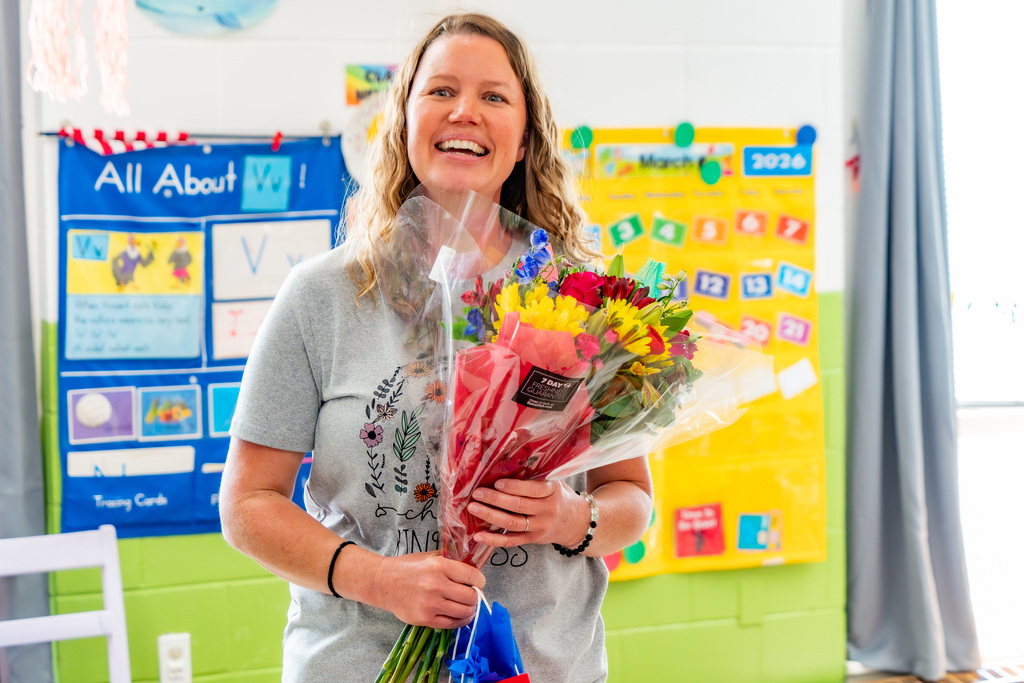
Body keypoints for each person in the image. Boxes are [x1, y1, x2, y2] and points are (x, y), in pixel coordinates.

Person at [219, 13, 653, 682]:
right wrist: (377, 579)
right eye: (441, 90)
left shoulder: (581, 305)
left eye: (494, 96)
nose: (465, 112)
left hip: (545, 665)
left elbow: (630, 499)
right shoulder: (320, 296)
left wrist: (571, 516)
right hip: (356, 664)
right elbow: (247, 506)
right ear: (404, 120)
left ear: (523, 140)